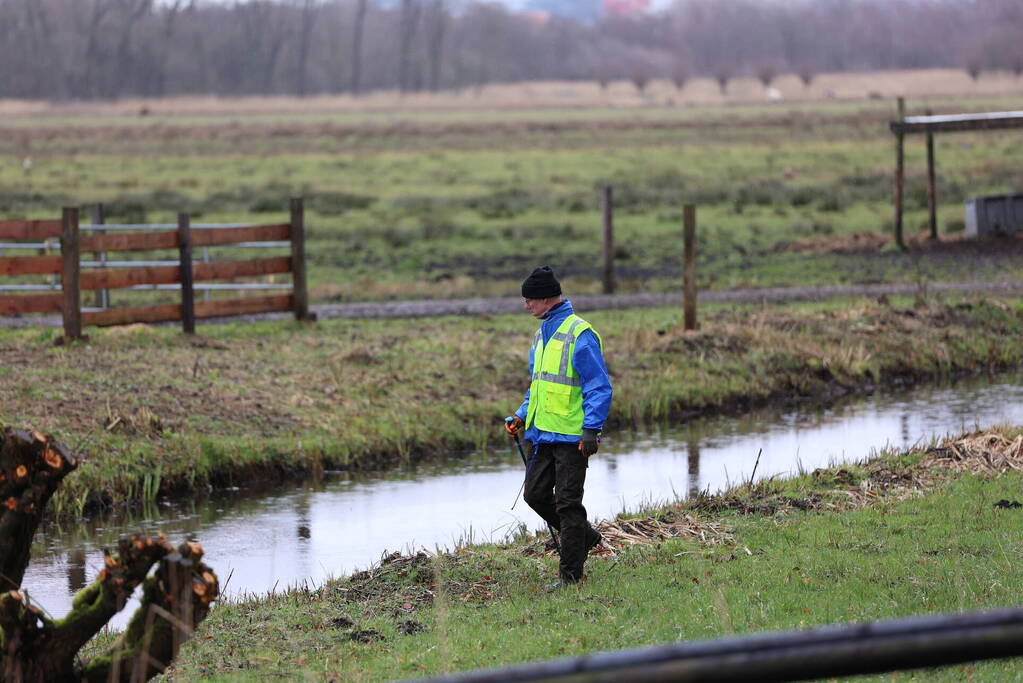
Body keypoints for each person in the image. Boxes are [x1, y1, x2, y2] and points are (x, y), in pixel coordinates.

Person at [505, 265, 613, 588]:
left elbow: (599, 387)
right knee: (535, 495)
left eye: (529, 300)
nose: (526, 305)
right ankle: (584, 535)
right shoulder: (540, 335)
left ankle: (570, 576)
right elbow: (538, 385)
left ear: (546, 298)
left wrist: (591, 430)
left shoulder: (581, 335)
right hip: (541, 435)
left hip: (572, 438)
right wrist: (522, 414)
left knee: (568, 504)